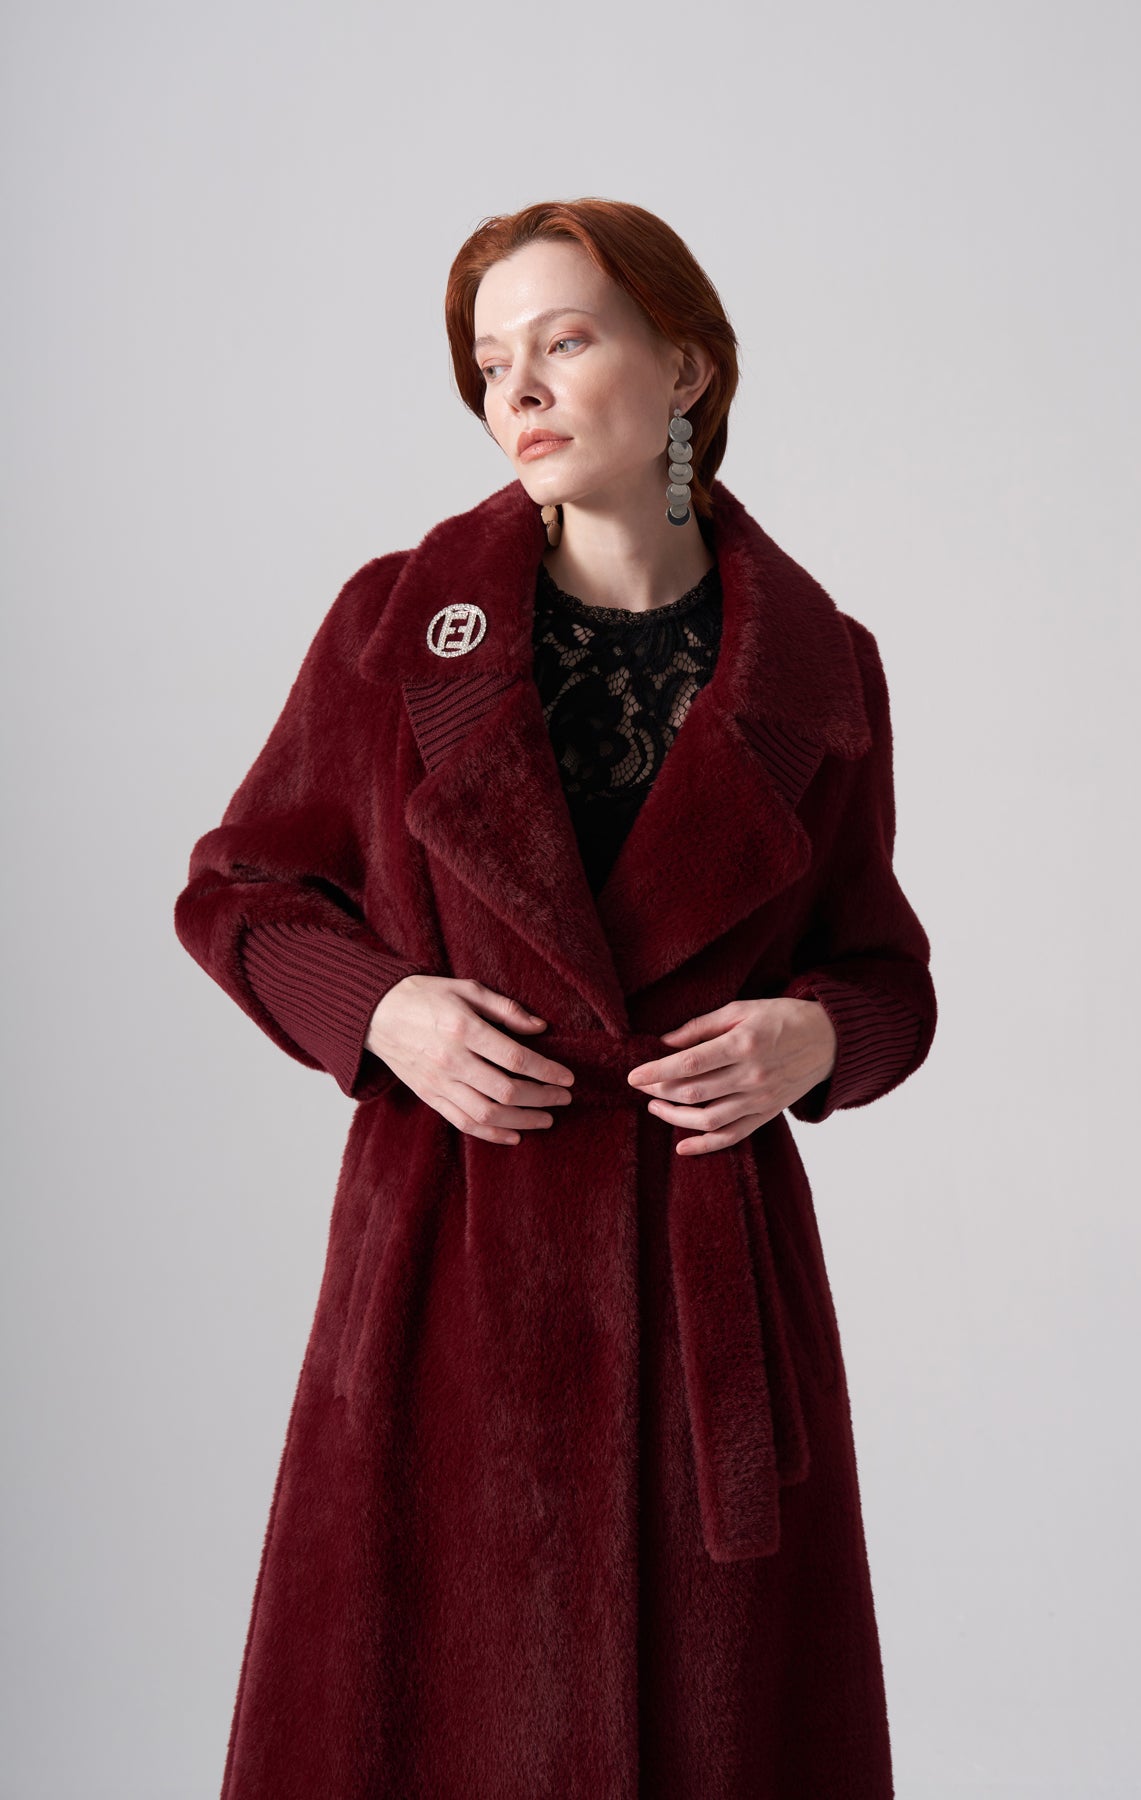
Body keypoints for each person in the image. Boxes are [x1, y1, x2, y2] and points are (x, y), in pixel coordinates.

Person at [176, 197, 937, 1799]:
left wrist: (812, 1039)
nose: (514, 388)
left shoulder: (823, 670)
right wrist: (385, 1011)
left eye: (564, 340)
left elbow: (886, 977)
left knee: (724, 1736)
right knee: (422, 1712)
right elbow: (238, 891)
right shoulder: (396, 628)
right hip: (449, 1270)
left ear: (686, 369)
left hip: (708, 1298)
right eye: (488, 360)